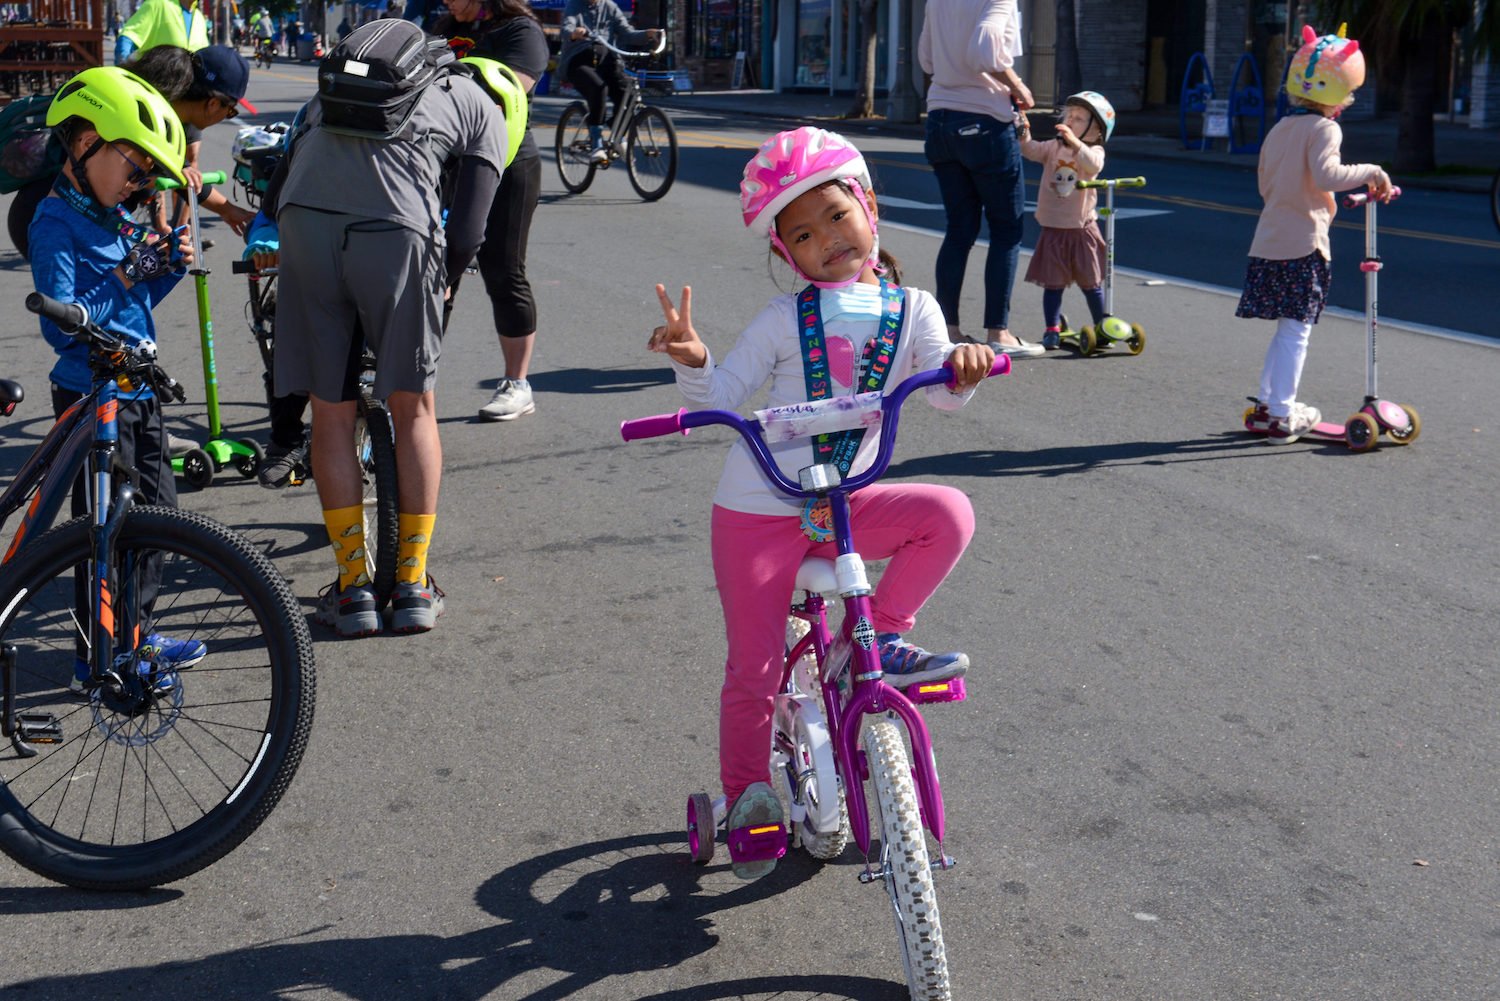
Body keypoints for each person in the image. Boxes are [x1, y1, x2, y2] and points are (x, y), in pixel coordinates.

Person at [646, 127, 994, 880]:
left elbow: (945, 394)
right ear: (786, 254)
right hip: (758, 512)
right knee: (756, 666)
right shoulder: (780, 321)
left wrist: (962, 369)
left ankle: (879, 638)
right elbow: (726, 398)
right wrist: (695, 360)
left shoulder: (917, 310)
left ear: (868, 207)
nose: (826, 238)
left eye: (837, 215)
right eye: (802, 234)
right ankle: (747, 796)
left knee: (948, 513)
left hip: (846, 504)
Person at [248, 19, 507, 635]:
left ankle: (352, 588)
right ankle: (413, 585)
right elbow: (470, 230)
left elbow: (277, 186)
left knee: (330, 411)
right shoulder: (480, 103)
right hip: (394, 234)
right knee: (413, 407)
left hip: (303, 226)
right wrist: (442, 277)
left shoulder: (332, 91)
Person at [29, 66, 203, 690]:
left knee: (155, 515)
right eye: (132, 164)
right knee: (104, 531)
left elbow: (135, 305)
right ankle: (94, 657)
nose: (137, 181)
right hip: (90, 393)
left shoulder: (106, 216)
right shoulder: (55, 223)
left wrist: (167, 264)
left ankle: (138, 635)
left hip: (137, 383)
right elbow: (62, 324)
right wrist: (130, 274)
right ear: (84, 144)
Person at [1237, 24, 1392, 444]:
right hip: (1304, 243)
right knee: (1297, 329)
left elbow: (1265, 183)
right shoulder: (1324, 129)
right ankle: (1284, 413)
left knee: (1286, 327)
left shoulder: (1280, 128)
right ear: (1339, 94)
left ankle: (1270, 404)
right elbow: (1329, 174)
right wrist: (1372, 171)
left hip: (1269, 239)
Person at [436, 0, 549, 421]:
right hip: (446, 161)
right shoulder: (442, 28)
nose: (446, 2)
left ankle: (517, 384)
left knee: (502, 270)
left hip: (507, 162)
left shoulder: (520, 31)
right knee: (435, 271)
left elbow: (509, 90)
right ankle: (412, 382)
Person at [918, 0, 1041, 357]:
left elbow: (926, 59)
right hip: (984, 120)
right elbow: (985, 48)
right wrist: (1019, 86)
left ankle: (948, 330)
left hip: (940, 118)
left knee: (959, 229)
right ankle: (998, 333)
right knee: (1005, 229)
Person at [1017, 90, 1115, 349]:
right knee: (1053, 283)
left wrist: (1077, 143)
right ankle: (1052, 327)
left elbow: (1094, 166)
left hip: (1082, 228)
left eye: (1079, 118)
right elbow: (1030, 150)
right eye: (1068, 116)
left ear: (1096, 131)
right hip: (1054, 228)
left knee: (1090, 282)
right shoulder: (1053, 147)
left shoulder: (1092, 150)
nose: (1070, 121)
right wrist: (1023, 130)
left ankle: (1101, 325)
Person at [557, 0, 660, 165]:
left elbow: (627, 33)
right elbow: (566, 27)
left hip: (607, 60)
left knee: (628, 92)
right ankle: (596, 143)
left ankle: (618, 134)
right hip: (579, 60)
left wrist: (647, 34)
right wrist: (574, 33)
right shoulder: (575, 5)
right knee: (598, 89)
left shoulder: (610, 7)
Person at [116, 0, 209, 64]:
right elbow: (127, 39)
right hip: (154, 87)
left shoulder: (199, 18)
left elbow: (205, 59)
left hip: (189, 89)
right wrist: (123, 76)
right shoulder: (157, 4)